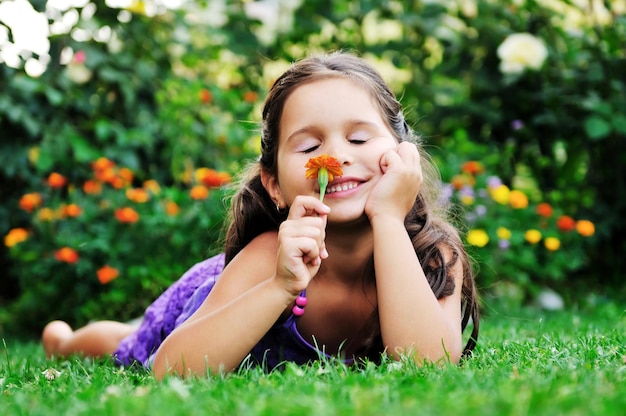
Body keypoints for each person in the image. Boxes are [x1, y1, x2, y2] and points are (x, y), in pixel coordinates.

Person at [42, 51, 480, 379]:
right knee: (123, 344)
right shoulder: (269, 255)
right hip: (217, 300)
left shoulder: (433, 255)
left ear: (403, 153)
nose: (335, 156)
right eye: (309, 147)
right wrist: (280, 286)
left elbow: (428, 365)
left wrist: (387, 217)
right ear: (273, 184)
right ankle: (62, 340)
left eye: (360, 138)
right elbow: (169, 372)